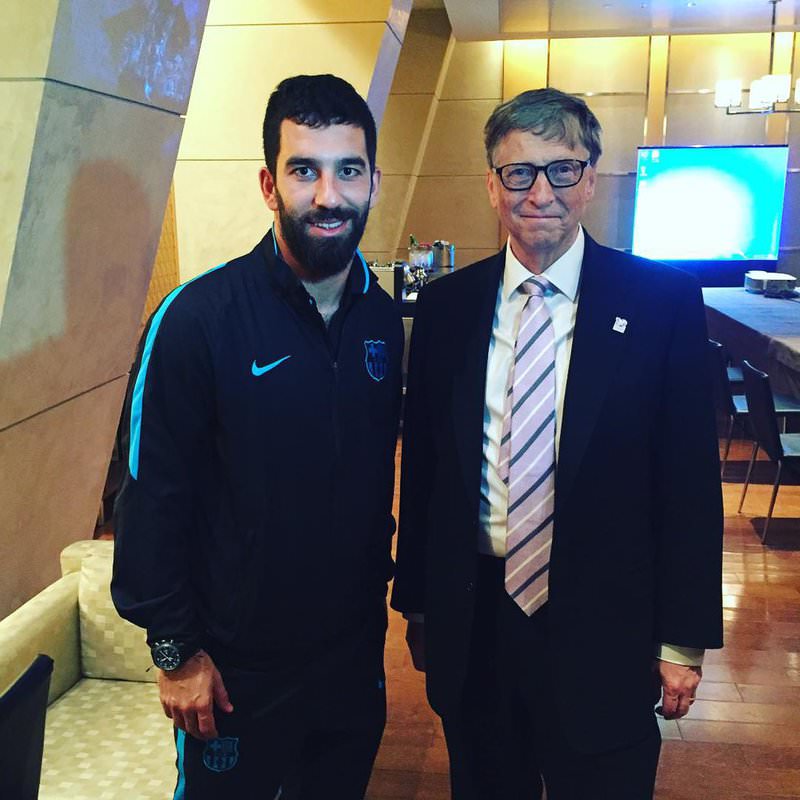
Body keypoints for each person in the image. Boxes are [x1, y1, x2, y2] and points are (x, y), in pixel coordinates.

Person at [391, 87, 723, 800]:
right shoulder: (447, 308)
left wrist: (682, 638)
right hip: (476, 620)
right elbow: (424, 470)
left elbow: (690, 485)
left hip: (609, 623)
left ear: (590, 179)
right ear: (492, 184)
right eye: (519, 172)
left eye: (562, 169)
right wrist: (416, 604)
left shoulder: (661, 303)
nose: (540, 192)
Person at [112, 74, 404, 799]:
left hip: (351, 659)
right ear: (270, 186)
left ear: (373, 182)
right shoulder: (196, 319)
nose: (329, 196)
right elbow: (150, 499)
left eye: (349, 170)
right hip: (235, 669)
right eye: (305, 170)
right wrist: (176, 653)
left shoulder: (380, 319)